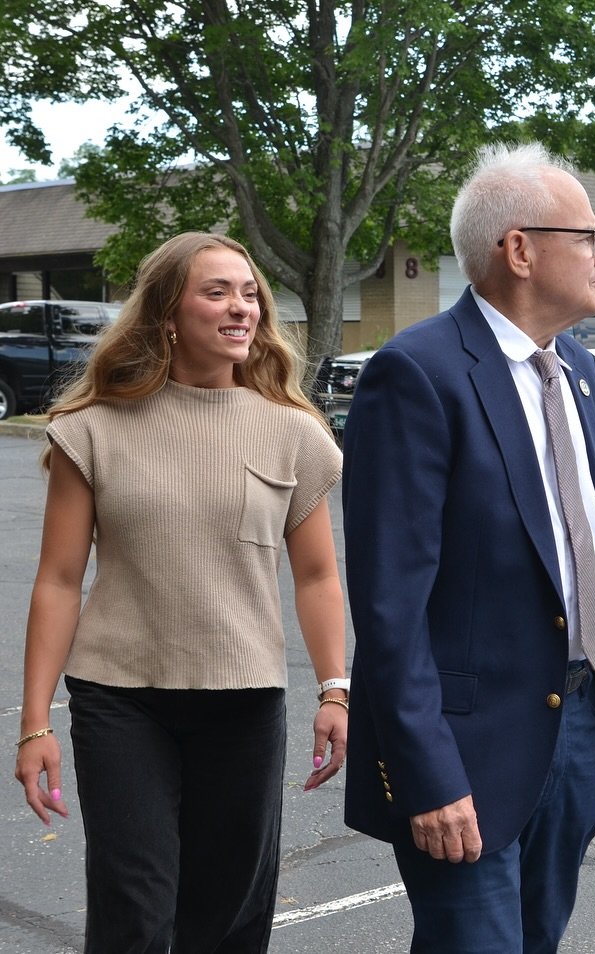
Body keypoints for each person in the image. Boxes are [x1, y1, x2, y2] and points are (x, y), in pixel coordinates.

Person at [341, 141, 595, 953]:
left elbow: (592, 539)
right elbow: (391, 611)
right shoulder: (417, 374)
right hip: (461, 749)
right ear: (520, 249)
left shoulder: (578, 367)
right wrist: (426, 775)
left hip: (576, 728)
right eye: (588, 236)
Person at [12, 231, 349, 952]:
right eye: (217, 291)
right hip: (120, 699)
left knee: (227, 914)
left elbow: (318, 576)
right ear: (168, 312)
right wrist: (35, 722)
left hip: (244, 702)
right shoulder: (92, 430)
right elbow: (59, 579)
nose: (241, 308)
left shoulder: (294, 433)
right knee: (134, 911)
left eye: (250, 292)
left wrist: (335, 689)